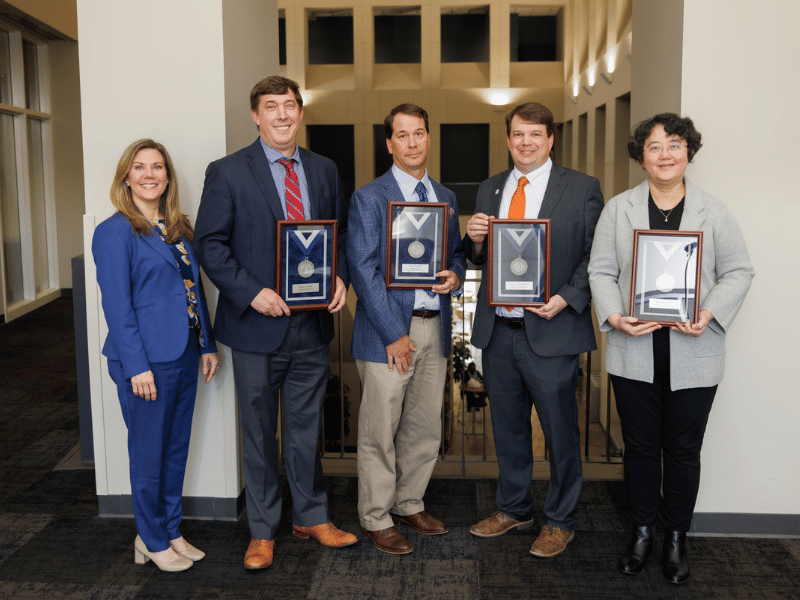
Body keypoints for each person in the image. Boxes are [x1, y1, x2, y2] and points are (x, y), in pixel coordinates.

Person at [193, 76, 355, 570]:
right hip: (255, 327)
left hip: (311, 326)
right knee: (260, 434)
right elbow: (209, 244)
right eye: (271, 106)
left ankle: (311, 515)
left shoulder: (323, 169)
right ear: (256, 116)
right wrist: (251, 292)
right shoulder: (226, 172)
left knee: (307, 430)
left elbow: (340, 231)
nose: (282, 114)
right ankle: (262, 531)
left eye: (290, 106)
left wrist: (340, 277)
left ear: (300, 114)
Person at [587, 113, 754, 584]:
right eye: (655, 147)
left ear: (688, 153)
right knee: (640, 449)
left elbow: (739, 271)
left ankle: (676, 539)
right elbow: (600, 271)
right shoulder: (618, 210)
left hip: (694, 351)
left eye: (674, 145)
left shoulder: (714, 211)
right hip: (632, 349)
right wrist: (615, 316)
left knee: (683, 451)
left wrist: (709, 313)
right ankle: (642, 533)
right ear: (641, 156)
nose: (665, 155)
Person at [464, 102, 603, 557]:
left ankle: (560, 520)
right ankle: (515, 507)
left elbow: (596, 257)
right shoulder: (490, 188)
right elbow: (477, 258)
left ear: (550, 139)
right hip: (499, 331)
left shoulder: (581, 189)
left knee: (560, 432)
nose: (526, 142)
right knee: (508, 429)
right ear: (508, 139)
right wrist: (475, 240)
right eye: (518, 134)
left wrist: (566, 296)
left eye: (535, 134)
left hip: (553, 329)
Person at [92, 139, 219, 572]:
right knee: (148, 453)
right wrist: (136, 366)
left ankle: (170, 529)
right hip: (145, 360)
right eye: (140, 167)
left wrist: (206, 344)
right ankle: (149, 538)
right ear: (126, 176)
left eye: (158, 167)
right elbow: (117, 306)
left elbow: (193, 289)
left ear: (168, 176)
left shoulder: (177, 226)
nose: (150, 175)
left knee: (175, 448)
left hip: (183, 353)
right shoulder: (114, 231)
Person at [348, 103, 466, 554]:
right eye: (403, 135)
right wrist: (393, 333)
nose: (413, 142)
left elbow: (454, 255)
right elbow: (362, 269)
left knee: (423, 427)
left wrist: (455, 275)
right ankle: (376, 516)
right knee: (379, 429)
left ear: (428, 138)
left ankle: (409, 502)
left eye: (420, 133)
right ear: (389, 144)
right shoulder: (369, 197)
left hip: (434, 329)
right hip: (387, 334)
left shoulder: (446, 198)